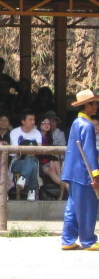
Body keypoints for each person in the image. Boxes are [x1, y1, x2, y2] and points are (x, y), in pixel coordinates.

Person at [60, 89, 99, 251]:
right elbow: (89, 152)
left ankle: (68, 239)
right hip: (84, 172)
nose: (96, 106)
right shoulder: (88, 125)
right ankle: (88, 240)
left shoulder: (76, 123)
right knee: (87, 206)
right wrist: (95, 174)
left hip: (72, 171)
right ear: (86, 106)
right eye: (94, 103)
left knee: (73, 205)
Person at [9, 111, 42, 201]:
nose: (33, 122)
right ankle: (31, 191)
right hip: (17, 162)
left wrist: (27, 151)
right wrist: (30, 150)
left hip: (32, 160)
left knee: (33, 163)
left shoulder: (37, 132)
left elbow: (39, 149)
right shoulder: (14, 132)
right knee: (32, 161)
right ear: (23, 121)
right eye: (30, 120)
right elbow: (16, 151)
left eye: (34, 120)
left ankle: (23, 178)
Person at [39, 113, 67, 190]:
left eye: (49, 123)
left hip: (50, 159)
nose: (47, 125)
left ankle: (63, 186)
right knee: (52, 168)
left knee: (56, 163)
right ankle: (66, 186)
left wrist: (51, 160)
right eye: (44, 123)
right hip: (40, 161)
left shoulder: (49, 135)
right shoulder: (36, 134)